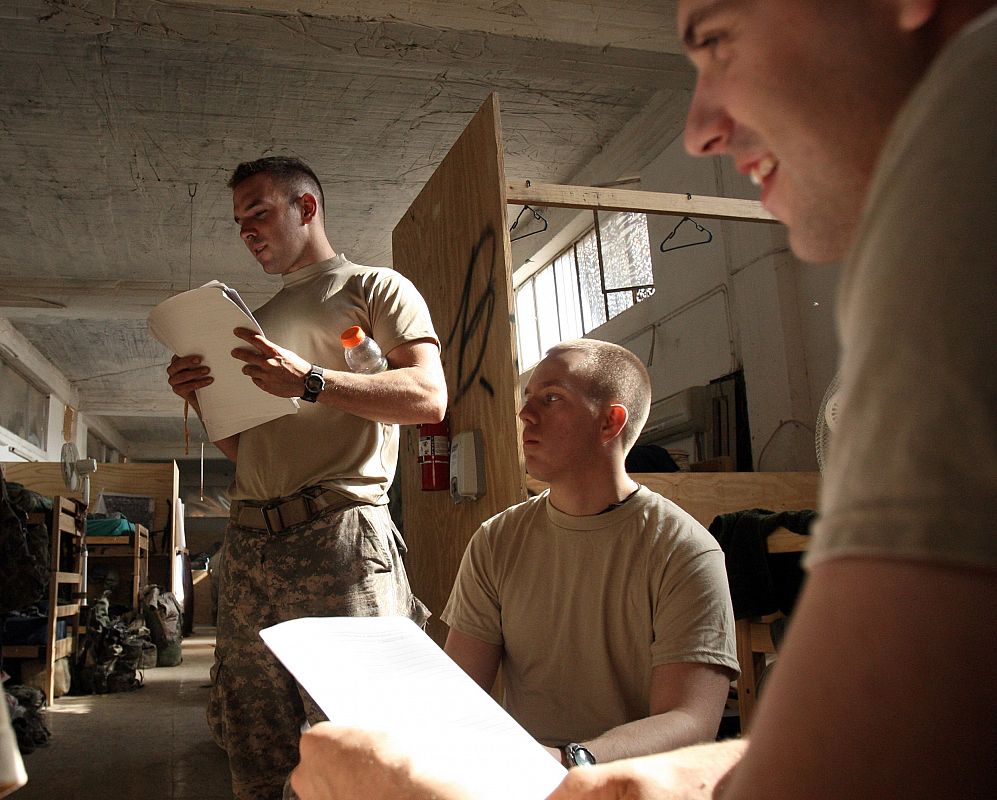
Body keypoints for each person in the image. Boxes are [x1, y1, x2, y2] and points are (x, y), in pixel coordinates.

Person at [286, 1, 997, 798]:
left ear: (610, 422)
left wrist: (568, 774)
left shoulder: (966, 138)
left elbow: (809, 750)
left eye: (718, 40)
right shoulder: (497, 541)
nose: (697, 132)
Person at [165, 155, 448, 799]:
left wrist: (312, 380)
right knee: (254, 745)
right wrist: (203, 400)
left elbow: (429, 397)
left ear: (308, 207)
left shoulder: (376, 288)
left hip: (338, 537)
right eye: (240, 222)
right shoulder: (250, 323)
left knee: (359, 744)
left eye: (260, 212)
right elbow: (253, 453)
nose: (249, 230)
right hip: (249, 547)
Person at [441, 339, 738, 766]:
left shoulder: (684, 551)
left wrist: (569, 761)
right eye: (527, 400)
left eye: (552, 398)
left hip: (633, 784)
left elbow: (690, 720)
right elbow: (459, 693)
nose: (526, 414)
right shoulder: (495, 541)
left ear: (609, 422)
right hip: (527, 782)